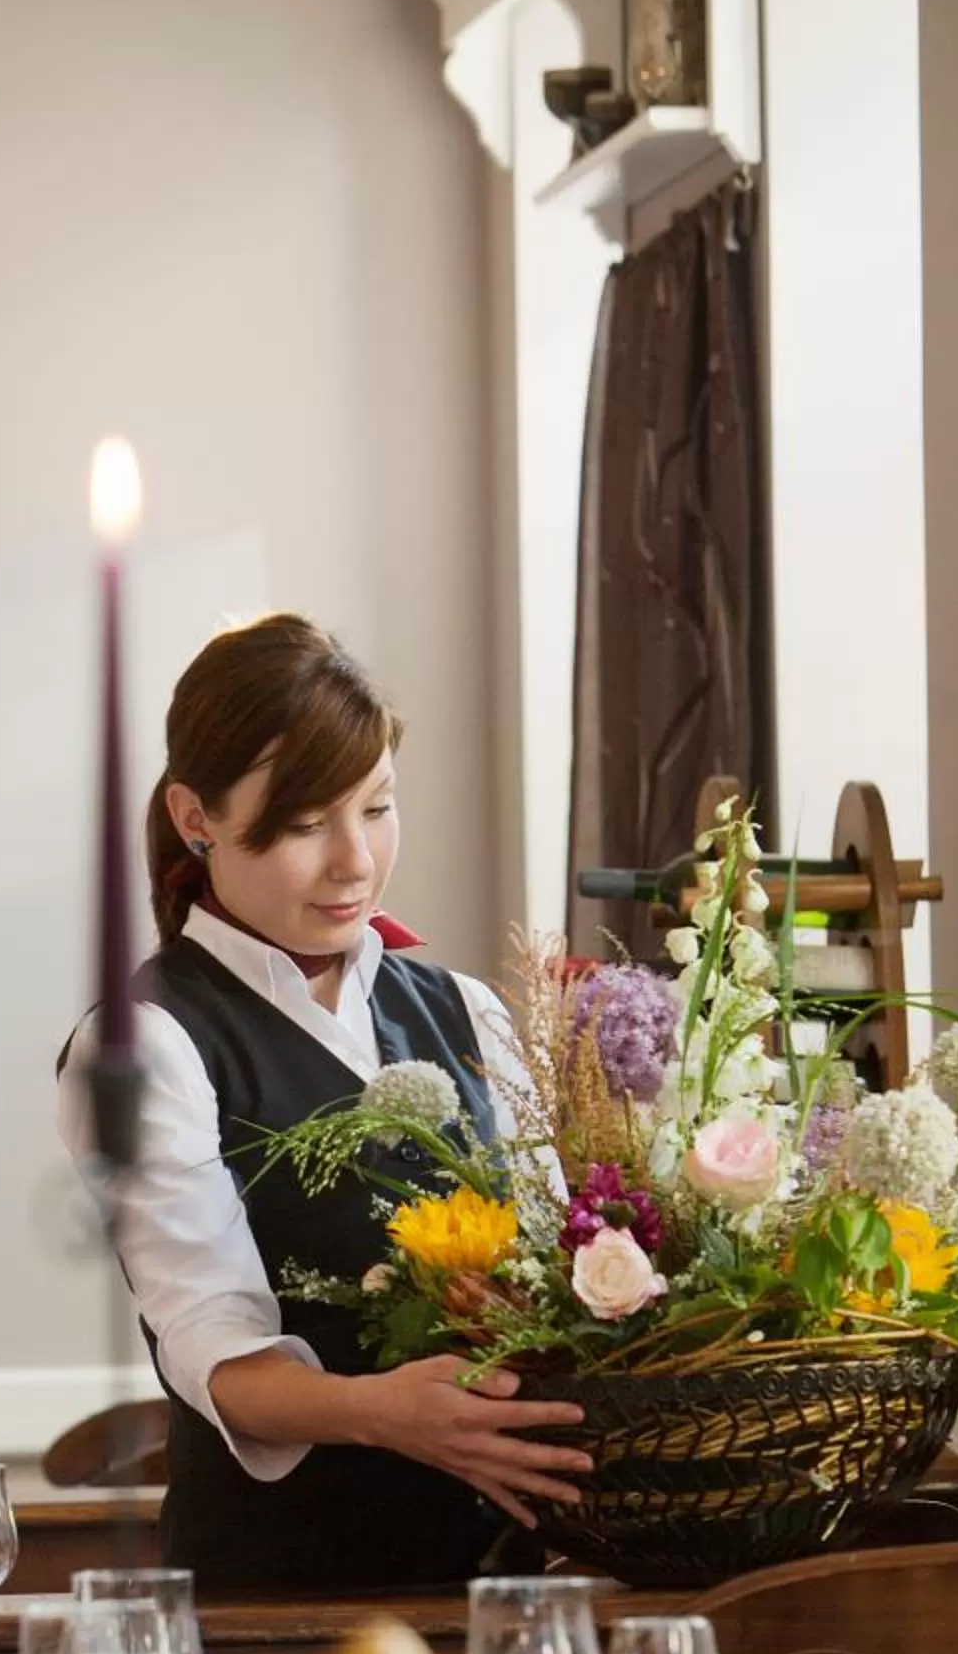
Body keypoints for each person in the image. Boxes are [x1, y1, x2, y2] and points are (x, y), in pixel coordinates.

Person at [58, 612, 588, 1597]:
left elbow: (565, 1274)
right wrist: (383, 1412)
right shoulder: (146, 1045)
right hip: (281, 1603)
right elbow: (214, 1347)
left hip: (510, 1583)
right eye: (306, 825)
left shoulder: (465, 1010)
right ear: (193, 817)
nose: (353, 860)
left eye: (376, 808)